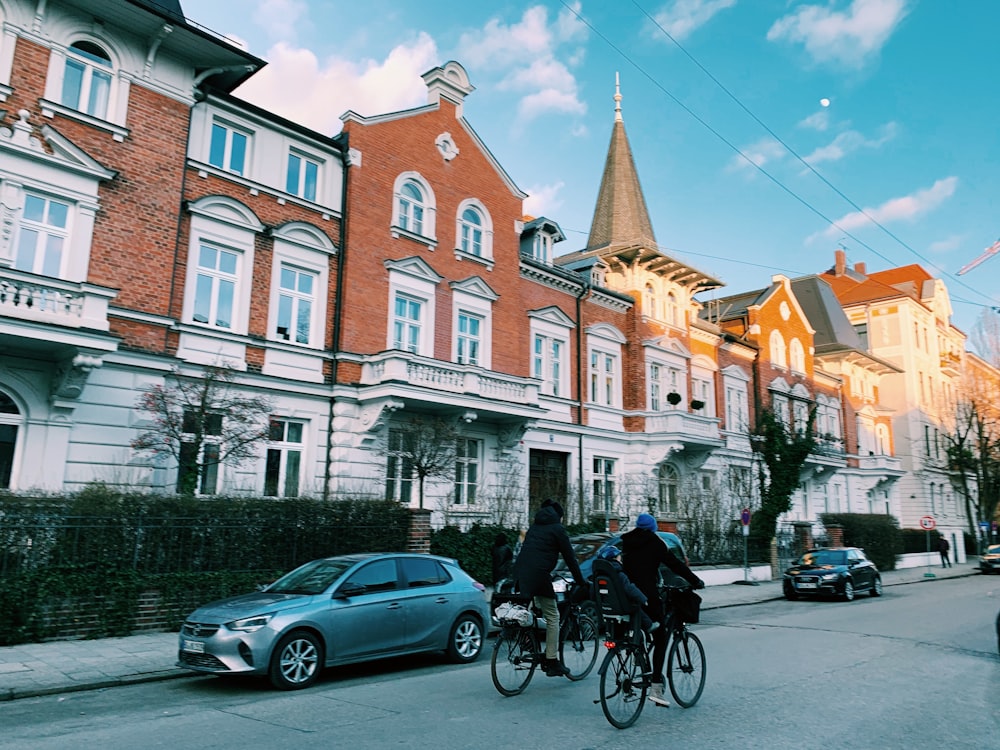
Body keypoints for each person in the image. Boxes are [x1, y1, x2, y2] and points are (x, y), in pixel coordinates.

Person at [621, 513, 704, 707]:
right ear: (652, 528)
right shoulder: (655, 543)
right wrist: (695, 581)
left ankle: (637, 656)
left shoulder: (626, 542)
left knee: (641, 629)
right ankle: (656, 686)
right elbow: (676, 565)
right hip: (648, 597)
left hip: (628, 597)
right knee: (660, 637)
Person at [511, 499, 586, 677]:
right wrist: (581, 581)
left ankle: (527, 640)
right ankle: (552, 661)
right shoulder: (557, 529)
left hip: (521, 573)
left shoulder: (534, 527)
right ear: (559, 516)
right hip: (539, 575)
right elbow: (570, 558)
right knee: (553, 616)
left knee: (528, 610)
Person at [595, 546, 655, 634]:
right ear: (614, 558)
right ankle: (648, 626)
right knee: (636, 607)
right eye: (619, 556)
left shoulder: (599, 575)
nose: (621, 558)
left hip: (604, 607)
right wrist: (643, 599)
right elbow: (629, 588)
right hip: (621, 607)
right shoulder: (619, 573)